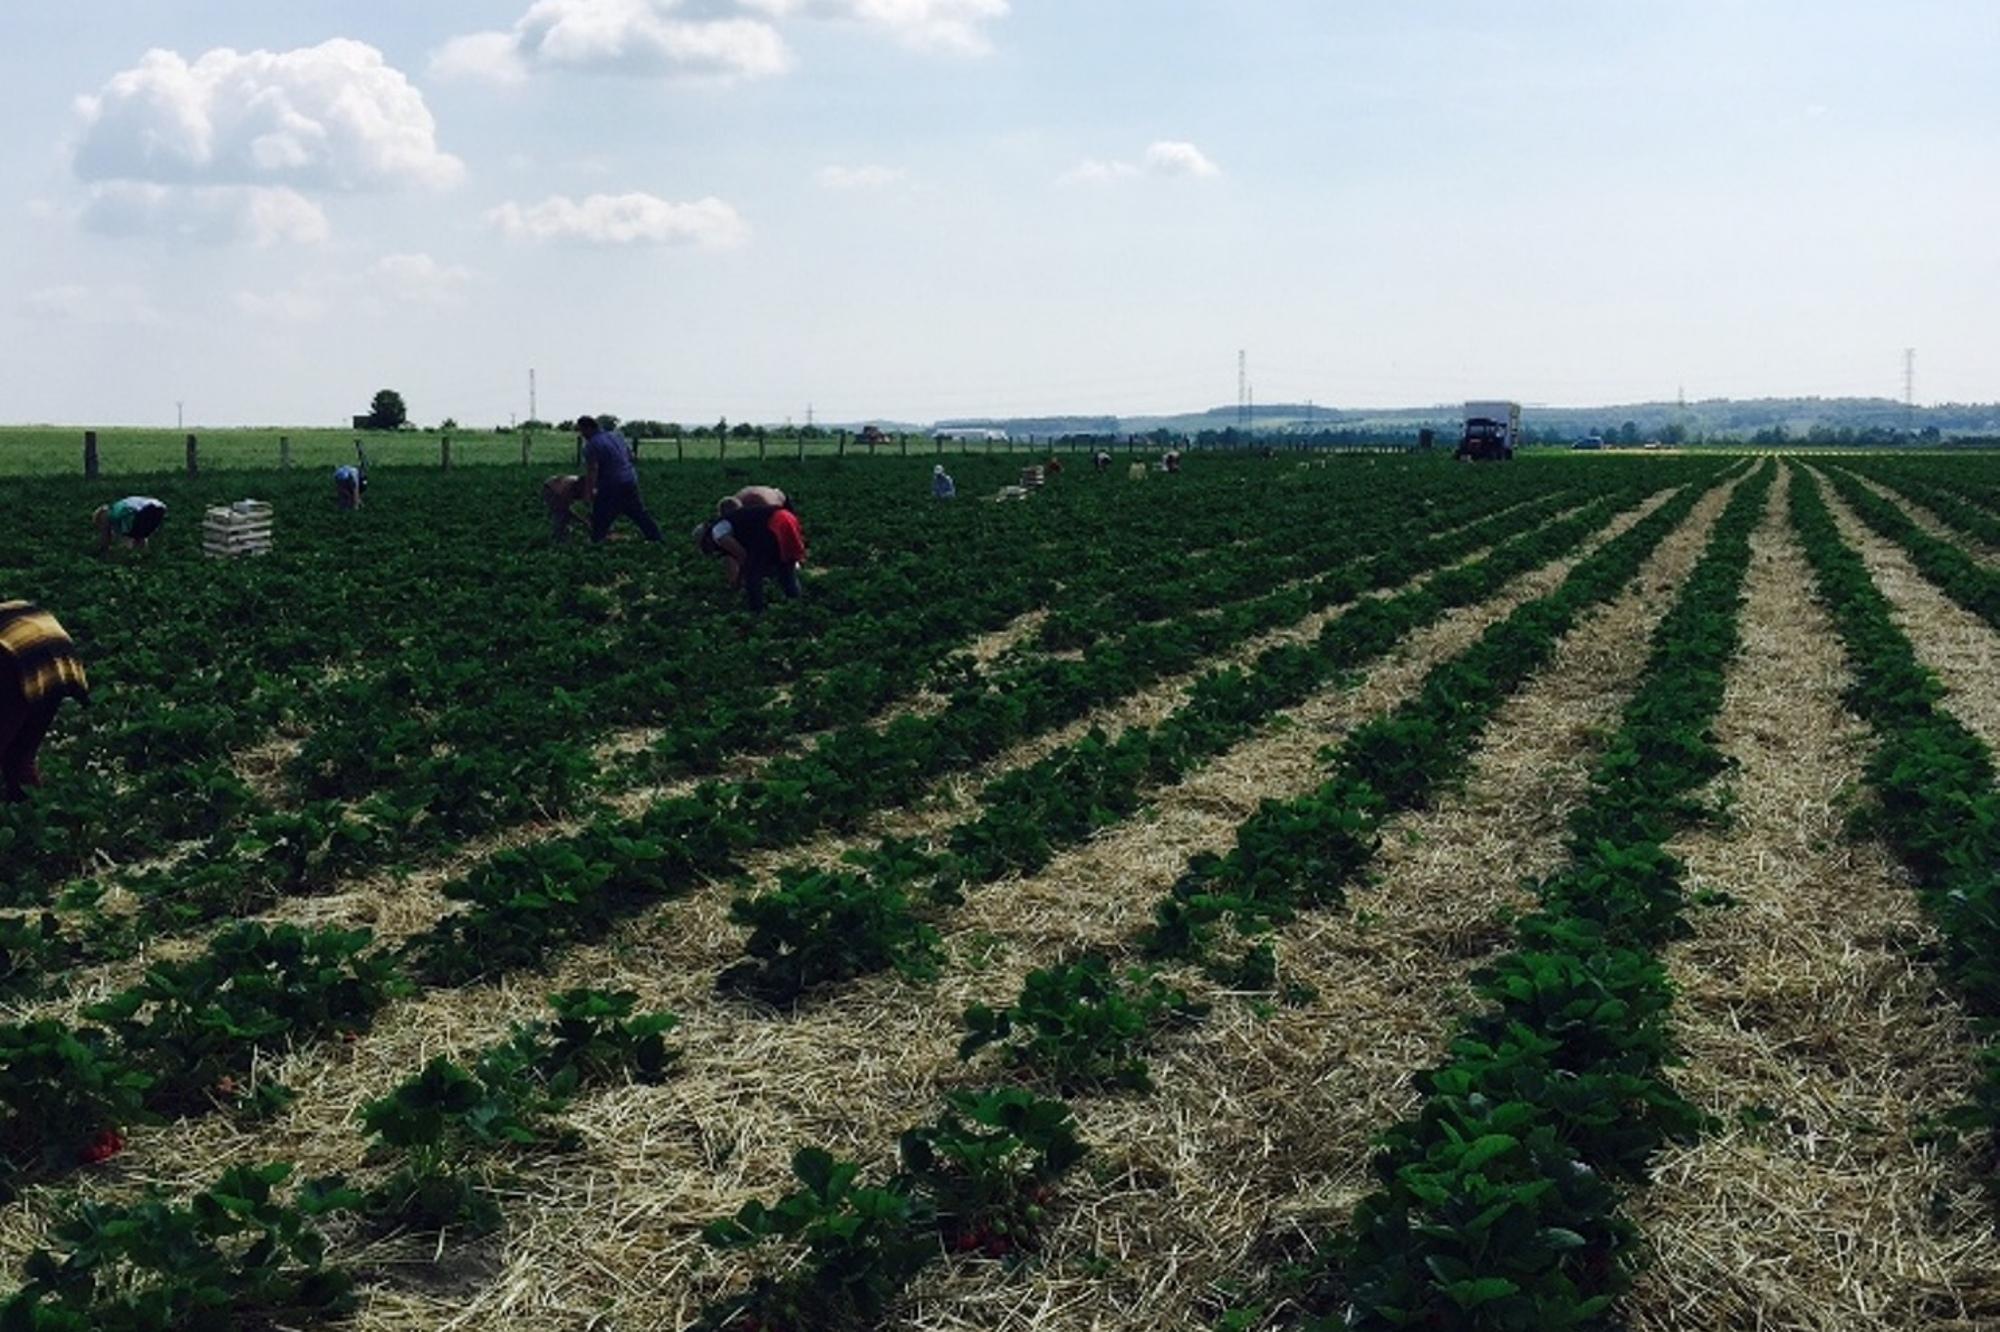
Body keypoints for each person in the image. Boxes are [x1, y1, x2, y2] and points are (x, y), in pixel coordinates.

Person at [0, 601, 89, 803]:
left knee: (15, 749)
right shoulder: (11, 608)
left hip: (20, 657)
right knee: (20, 755)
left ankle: (23, 807)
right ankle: (28, 809)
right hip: (59, 659)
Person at [697, 501, 807, 613]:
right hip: (787, 518)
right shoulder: (728, 524)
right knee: (785, 566)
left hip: (774, 524)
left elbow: (742, 555)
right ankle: (796, 605)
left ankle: (757, 611)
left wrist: (740, 579)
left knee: (753, 574)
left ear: (706, 538)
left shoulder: (717, 532)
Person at [578, 415, 663, 543]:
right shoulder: (616, 436)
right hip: (629, 479)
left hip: (611, 483)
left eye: (582, 430)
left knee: (601, 513)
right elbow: (631, 456)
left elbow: (593, 470)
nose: (582, 434)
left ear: (588, 428)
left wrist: (590, 491)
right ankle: (656, 538)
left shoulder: (592, 445)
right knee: (638, 512)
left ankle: (596, 541)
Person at [93, 496, 166, 552]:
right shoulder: (118, 507)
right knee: (141, 534)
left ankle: (131, 557)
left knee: (130, 536)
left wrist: (104, 549)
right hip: (159, 507)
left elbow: (107, 535)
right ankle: (144, 555)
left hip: (144, 510)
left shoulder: (107, 514)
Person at [543, 474, 586, 541]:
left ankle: (563, 535)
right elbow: (567, 508)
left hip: (557, 488)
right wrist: (583, 521)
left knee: (565, 515)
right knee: (560, 514)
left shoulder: (585, 487)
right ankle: (559, 538)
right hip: (551, 489)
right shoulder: (568, 488)